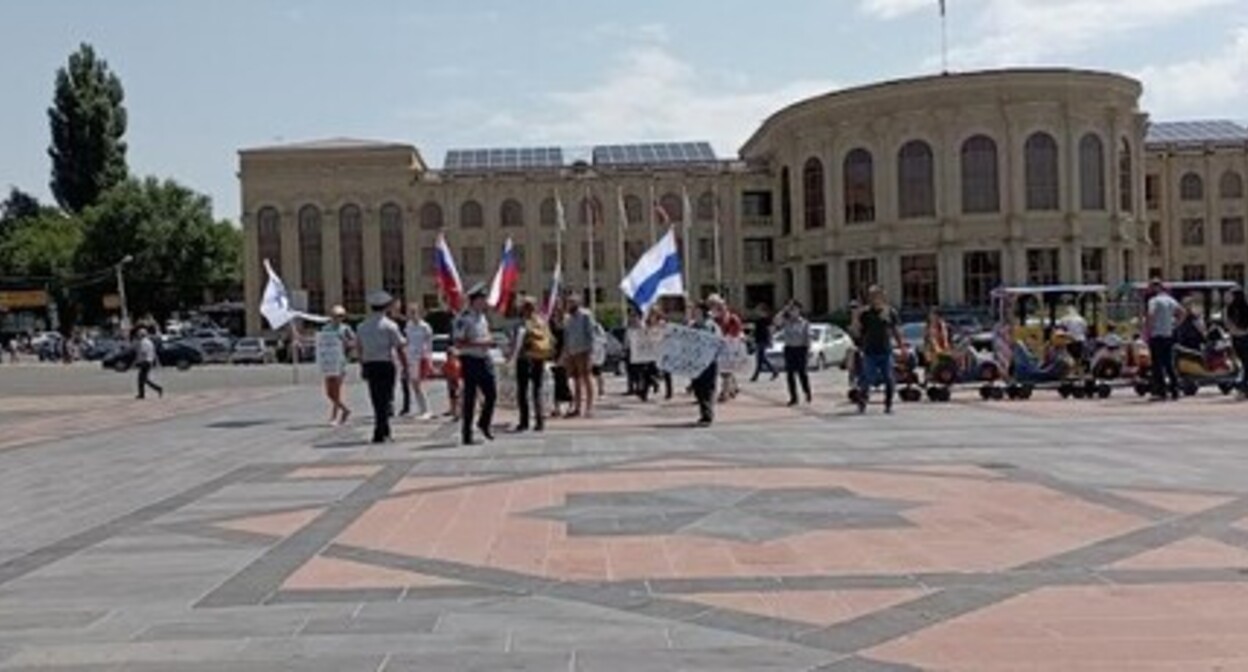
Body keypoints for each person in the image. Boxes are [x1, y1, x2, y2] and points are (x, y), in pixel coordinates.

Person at [357, 290, 408, 443]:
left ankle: (383, 430)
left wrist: (362, 365)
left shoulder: (362, 326)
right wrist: (405, 365)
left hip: (370, 364)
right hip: (385, 363)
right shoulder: (390, 326)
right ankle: (381, 431)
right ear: (386, 307)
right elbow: (400, 346)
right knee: (386, 398)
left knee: (376, 398)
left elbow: (359, 348)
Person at [851, 286, 907, 414]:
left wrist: (902, 346)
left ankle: (888, 404)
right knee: (867, 378)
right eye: (873, 296)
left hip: (885, 350)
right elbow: (857, 332)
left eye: (878, 295)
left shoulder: (890, 312)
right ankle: (862, 402)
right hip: (869, 350)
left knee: (889, 377)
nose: (876, 298)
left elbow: (896, 330)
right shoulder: (865, 313)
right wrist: (855, 317)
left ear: (883, 297)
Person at [454, 285, 497, 445]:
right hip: (470, 360)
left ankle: (484, 423)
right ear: (474, 301)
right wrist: (481, 343)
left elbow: (486, 335)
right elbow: (458, 342)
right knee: (470, 398)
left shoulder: (483, 317)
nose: (484, 302)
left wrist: (488, 342)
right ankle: (467, 434)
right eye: (482, 299)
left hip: (484, 359)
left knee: (491, 395)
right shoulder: (463, 319)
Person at [510, 297, 553, 432]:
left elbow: (516, 342)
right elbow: (550, 338)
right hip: (538, 357)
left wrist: (512, 357)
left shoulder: (522, 323)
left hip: (524, 358)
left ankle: (524, 421)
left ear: (524, 308)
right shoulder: (541, 321)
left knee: (522, 391)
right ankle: (540, 421)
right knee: (537, 389)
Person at [1144, 278, 1184, 401]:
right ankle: (1175, 389)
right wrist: (1175, 324)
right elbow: (1182, 312)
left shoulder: (1153, 301)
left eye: (1150, 287)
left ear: (1155, 288)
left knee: (1157, 365)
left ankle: (1161, 391)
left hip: (1156, 335)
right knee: (1169, 364)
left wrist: (1148, 331)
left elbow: (1150, 315)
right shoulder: (1169, 300)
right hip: (1168, 335)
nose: (1149, 290)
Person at [319, 305, 356, 426]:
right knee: (329, 392)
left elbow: (354, 343)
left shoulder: (345, 329)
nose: (338, 318)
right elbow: (320, 342)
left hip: (340, 362)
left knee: (337, 390)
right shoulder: (325, 328)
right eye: (335, 316)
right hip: (328, 362)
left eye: (340, 316)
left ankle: (334, 416)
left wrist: (345, 342)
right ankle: (345, 410)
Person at [562, 293, 597, 418]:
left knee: (587, 378)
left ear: (578, 303)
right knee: (575, 380)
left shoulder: (585, 315)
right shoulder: (568, 318)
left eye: (571, 302)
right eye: (568, 302)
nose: (569, 304)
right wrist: (565, 352)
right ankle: (577, 407)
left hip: (584, 351)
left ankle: (590, 407)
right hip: (572, 352)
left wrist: (591, 352)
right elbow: (566, 336)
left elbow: (591, 334)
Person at [688, 301, 721, 426]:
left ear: (703, 312)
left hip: (709, 362)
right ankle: (704, 413)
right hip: (696, 362)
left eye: (696, 310)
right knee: (698, 388)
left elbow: (717, 342)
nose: (694, 313)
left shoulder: (712, 326)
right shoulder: (692, 326)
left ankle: (707, 415)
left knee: (707, 388)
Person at [775, 300, 812, 406]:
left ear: (799, 311)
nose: (793, 312)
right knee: (790, 374)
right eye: (791, 310)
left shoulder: (804, 323)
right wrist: (784, 310)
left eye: (795, 310)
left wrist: (808, 350)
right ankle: (793, 397)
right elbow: (776, 321)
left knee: (802, 373)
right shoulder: (786, 321)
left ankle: (807, 392)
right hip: (789, 349)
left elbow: (808, 338)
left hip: (801, 349)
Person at [709, 295, 743, 403]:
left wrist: (728, 338)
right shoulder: (714, 319)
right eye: (715, 307)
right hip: (718, 348)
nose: (718, 309)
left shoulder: (732, 318)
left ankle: (725, 393)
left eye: (720, 307)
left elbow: (737, 332)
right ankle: (733, 388)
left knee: (726, 371)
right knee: (725, 371)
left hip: (730, 348)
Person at [404, 303, 434, 420]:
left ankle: (427, 410)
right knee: (414, 385)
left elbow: (429, 344)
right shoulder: (408, 326)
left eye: (414, 312)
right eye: (410, 312)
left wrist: (429, 359)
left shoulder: (425, 327)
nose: (412, 314)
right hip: (411, 357)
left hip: (422, 357)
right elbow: (408, 341)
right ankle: (421, 409)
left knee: (420, 384)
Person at [548, 305, 573, 417]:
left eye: (558, 311)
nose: (556, 313)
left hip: (564, 355)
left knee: (564, 382)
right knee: (555, 382)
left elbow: (567, 341)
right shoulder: (551, 324)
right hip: (554, 355)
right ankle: (557, 408)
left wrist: (563, 356)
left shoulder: (566, 324)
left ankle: (571, 404)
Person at [1225, 287, 1248, 396]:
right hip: (1241, 337)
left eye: (1231, 295)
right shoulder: (1233, 308)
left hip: (1239, 338)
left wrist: (1234, 330)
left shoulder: (1232, 308)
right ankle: (1243, 386)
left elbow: (1229, 325)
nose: (1229, 297)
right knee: (1244, 363)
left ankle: (1243, 386)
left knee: (1245, 363)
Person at [750, 304, 779, 382]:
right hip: (758, 340)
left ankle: (756, 375)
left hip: (763, 340)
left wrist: (770, 339)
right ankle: (774, 371)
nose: (757, 312)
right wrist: (753, 339)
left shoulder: (767, 320)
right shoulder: (758, 320)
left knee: (760, 358)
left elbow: (771, 330)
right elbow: (755, 331)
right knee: (761, 359)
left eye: (759, 311)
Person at [134, 328, 163, 400]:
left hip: (145, 361)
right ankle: (156, 389)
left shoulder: (143, 342)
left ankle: (143, 394)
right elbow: (153, 352)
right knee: (144, 379)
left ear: (141, 335)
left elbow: (143, 353)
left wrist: (138, 361)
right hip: (149, 361)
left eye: (139, 334)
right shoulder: (149, 342)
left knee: (141, 379)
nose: (138, 335)